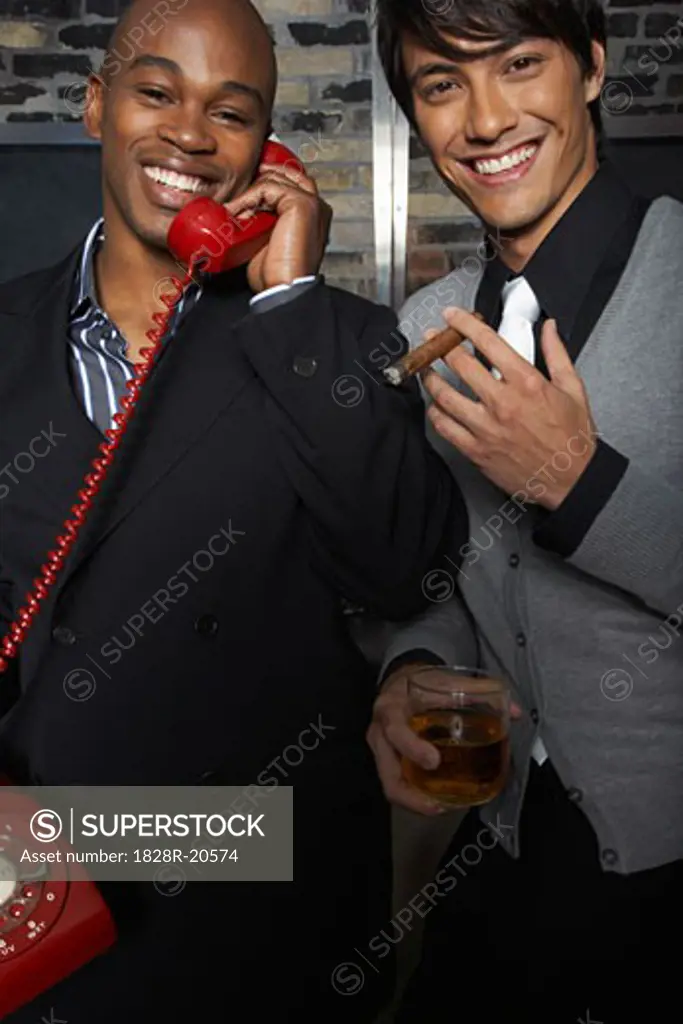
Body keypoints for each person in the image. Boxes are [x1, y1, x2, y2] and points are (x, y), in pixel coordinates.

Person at [0, 1, 467, 1020]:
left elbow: (403, 568)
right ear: (95, 106)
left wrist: (289, 301)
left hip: (255, 920)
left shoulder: (336, 339)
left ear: (267, 151)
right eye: (156, 93)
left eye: (233, 111)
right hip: (34, 908)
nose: (190, 135)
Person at [368, 1, 683, 1020]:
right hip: (501, 847)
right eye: (441, 84)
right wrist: (410, 664)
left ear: (589, 67)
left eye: (517, 63)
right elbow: (441, 577)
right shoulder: (426, 327)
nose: (485, 116)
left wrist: (575, 479)